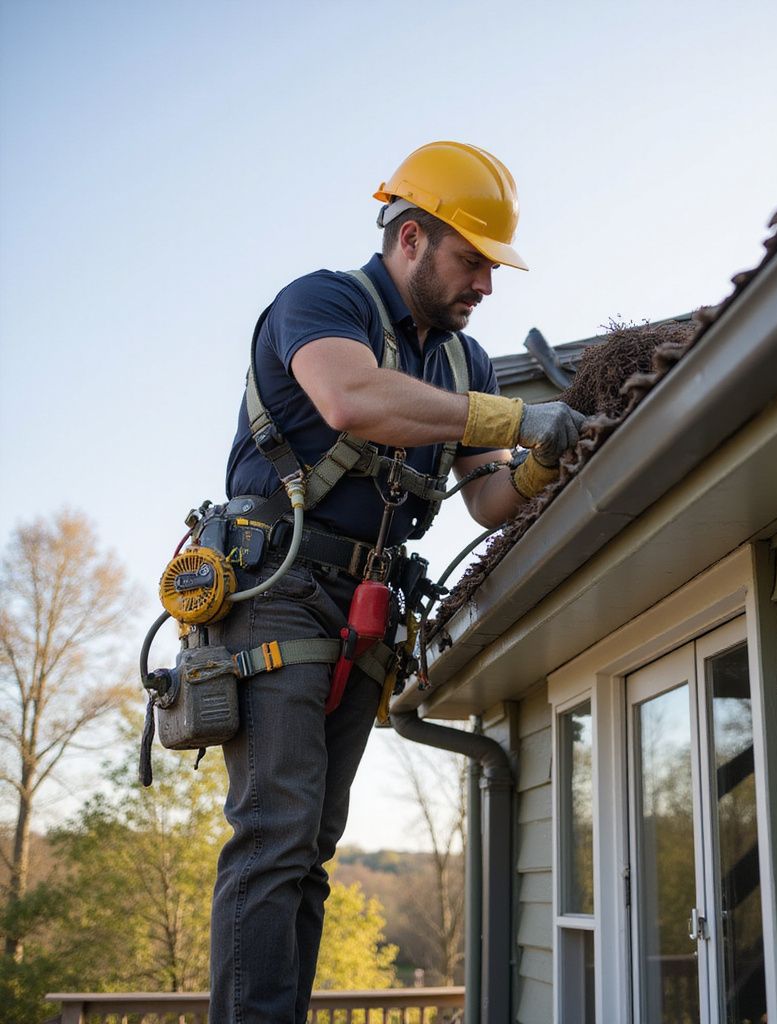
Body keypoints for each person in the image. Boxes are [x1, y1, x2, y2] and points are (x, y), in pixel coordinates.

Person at [207, 141, 585, 1023]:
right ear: (410, 237)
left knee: (310, 849)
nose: (486, 287)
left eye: (493, 269)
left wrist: (541, 462)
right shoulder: (324, 302)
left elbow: (488, 498)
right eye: (472, 262)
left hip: (367, 610)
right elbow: (350, 400)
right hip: (279, 585)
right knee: (275, 834)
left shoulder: (466, 362)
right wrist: (518, 418)